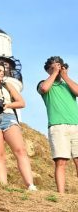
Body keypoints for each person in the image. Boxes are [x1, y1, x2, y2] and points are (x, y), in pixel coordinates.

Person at [0, 61, 36, 190]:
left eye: (3, 71)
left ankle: (30, 185)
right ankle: (4, 186)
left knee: (20, 150)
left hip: (9, 118)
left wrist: (7, 105)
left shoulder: (8, 85)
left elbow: (21, 103)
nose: (2, 73)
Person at [38, 56, 78, 193]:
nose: (58, 68)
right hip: (57, 127)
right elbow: (44, 89)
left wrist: (65, 76)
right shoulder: (43, 83)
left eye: (59, 66)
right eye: (54, 66)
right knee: (61, 161)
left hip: (76, 125)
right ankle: (61, 194)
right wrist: (54, 72)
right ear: (48, 69)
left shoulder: (68, 84)